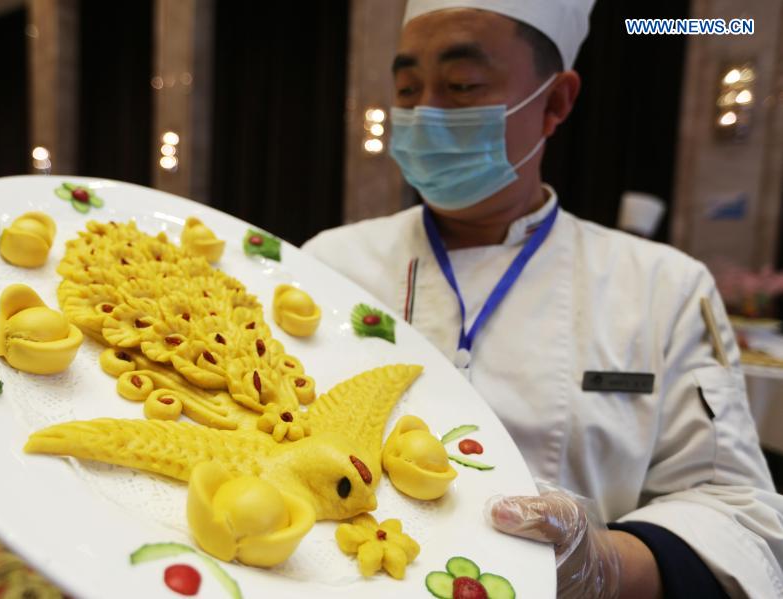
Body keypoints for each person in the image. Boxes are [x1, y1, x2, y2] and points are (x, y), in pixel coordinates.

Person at [303, 1, 783, 597]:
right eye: (407, 88)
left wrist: (600, 562)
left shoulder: (662, 288)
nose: (424, 113)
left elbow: (742, 516)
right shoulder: (329, 264)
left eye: (462, 85)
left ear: (555, 102)